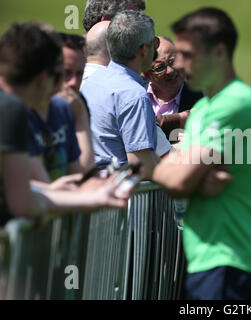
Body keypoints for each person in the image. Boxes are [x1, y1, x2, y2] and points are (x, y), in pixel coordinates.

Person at [152, 7, 251, 300]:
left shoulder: (234, 103)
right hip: (211, 260)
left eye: (187, 54)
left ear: (219, 52)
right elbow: (180, 176)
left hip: (232, 262)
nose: (178, 64)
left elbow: (179, 182)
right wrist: (183, 171)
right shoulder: (206, 107)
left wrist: (153, 166)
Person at [0, 22, 132, 227]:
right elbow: (23, 203)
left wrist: (45, 193)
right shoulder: (10, 109)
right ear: (43, 78)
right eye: (60, 75)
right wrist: (94, 198)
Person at [81, 10, 159, 179]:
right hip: (124, 200)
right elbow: (142, 169)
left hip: (92, 191)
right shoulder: (134, 95)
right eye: (155, 43)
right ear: (144, 49)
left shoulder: (92, 82)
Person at [143, 36, 203, 140]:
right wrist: (181, 118)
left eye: (173, 61)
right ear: (147, 75)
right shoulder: (133, 94)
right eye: (159, 68)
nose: (170, 71)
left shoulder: (203, 98)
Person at [56, 32, 96, 172]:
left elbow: (85, 170)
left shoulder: (78, 102)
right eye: (66, 72)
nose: (73, 82)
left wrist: (80, 115)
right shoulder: (26, 108)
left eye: (79, 74)